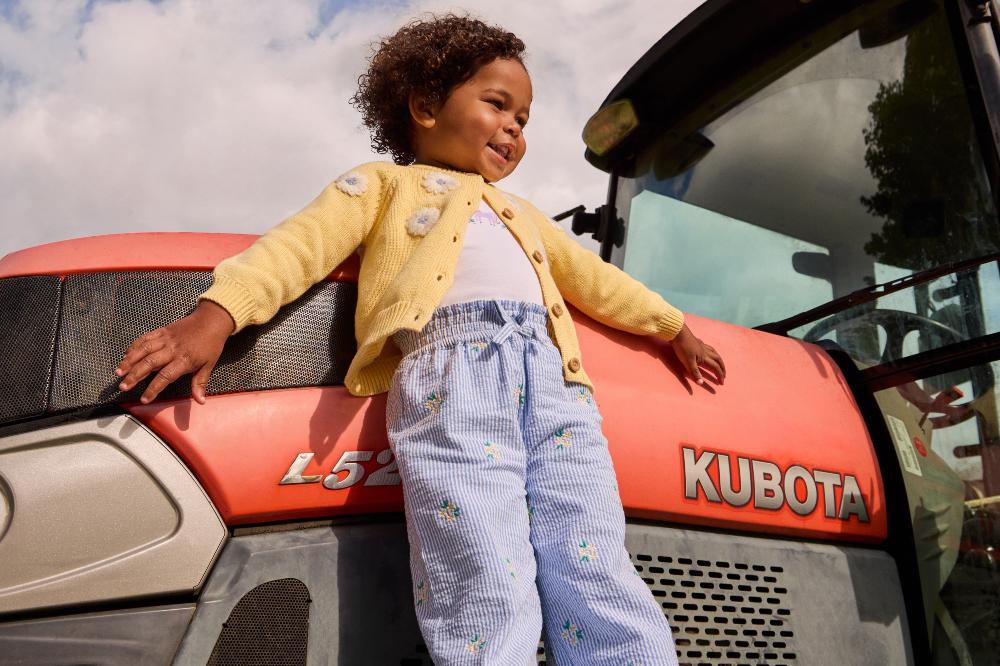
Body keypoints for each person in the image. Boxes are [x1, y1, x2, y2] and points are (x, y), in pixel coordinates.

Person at [115, 14, 724, 665]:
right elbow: (297, 247)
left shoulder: (524, 216)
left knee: (593, 555)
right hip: (452, 385)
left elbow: (597, 281)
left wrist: (672, 325)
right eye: (497, 104)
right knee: (482, 564)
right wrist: (217, 314)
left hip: (560, 391)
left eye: (524, 117)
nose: (516, 126)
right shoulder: (382, 186)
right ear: (427, 105)